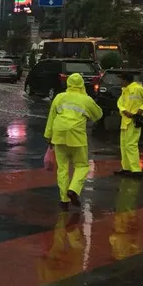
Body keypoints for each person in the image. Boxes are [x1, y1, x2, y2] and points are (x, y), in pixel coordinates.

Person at [44, 73, 103, 209]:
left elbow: (51, 118)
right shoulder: (86, 99)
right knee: (82, 166)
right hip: (76, 136)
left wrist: (49, 138)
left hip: (58, 135)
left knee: (62, 168)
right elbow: (98, 115)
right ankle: (74, 190)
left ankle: (64, 200)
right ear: (82, 84)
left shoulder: (59, 97)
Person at [116, 72, 143, 177]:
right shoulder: (125, 91)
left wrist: (141, 110)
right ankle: (126, 168)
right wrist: (124, 111)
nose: (120, 82)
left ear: (126, 80)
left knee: (131, 145)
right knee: (124, 145)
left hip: (134, 121)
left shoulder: (138, 89)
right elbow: (120, 103)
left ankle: (136, 170)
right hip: (125, 121)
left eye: (121, 80)